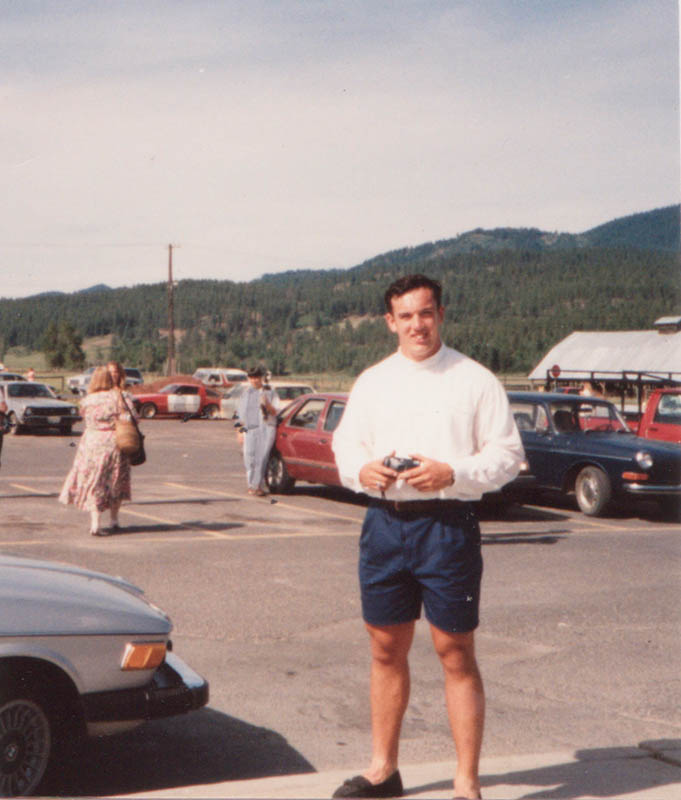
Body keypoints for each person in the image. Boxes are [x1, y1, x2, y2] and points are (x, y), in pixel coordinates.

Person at [331, 274, 525, 800]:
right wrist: (361, 471)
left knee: (454, 651)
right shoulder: (373, 381)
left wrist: (452, 473)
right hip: (384, 525)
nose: (417, 325)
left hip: (448, 526)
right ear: (390, 322)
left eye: (426, 313)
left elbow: (508, 456)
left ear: (441, 314)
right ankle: (383, 770)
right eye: (406, 316)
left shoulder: (475, 379)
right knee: (385, 649)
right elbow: (345, 446)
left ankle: (466, 784)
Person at [59, 366, 133, 535]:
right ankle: (114, 520)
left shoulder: (87, 399)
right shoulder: (119, 397)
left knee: (95, 481)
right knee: (116, 480)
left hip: (91, 442)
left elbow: (83, 416)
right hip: (114, 441)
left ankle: (95, 523)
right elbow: (132, 417)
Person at [236, 366, 281, 496]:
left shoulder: (270, 391)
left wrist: (267, 404)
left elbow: (275, 412)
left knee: (261, 457)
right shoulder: (246, 393)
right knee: (249, 456)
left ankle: (257, 486)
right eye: (252, 378)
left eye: (257, 377)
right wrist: (239, 432)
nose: (254, 380)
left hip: (266, 426)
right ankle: (252, 485)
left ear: (261, 378)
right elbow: (241, 415)